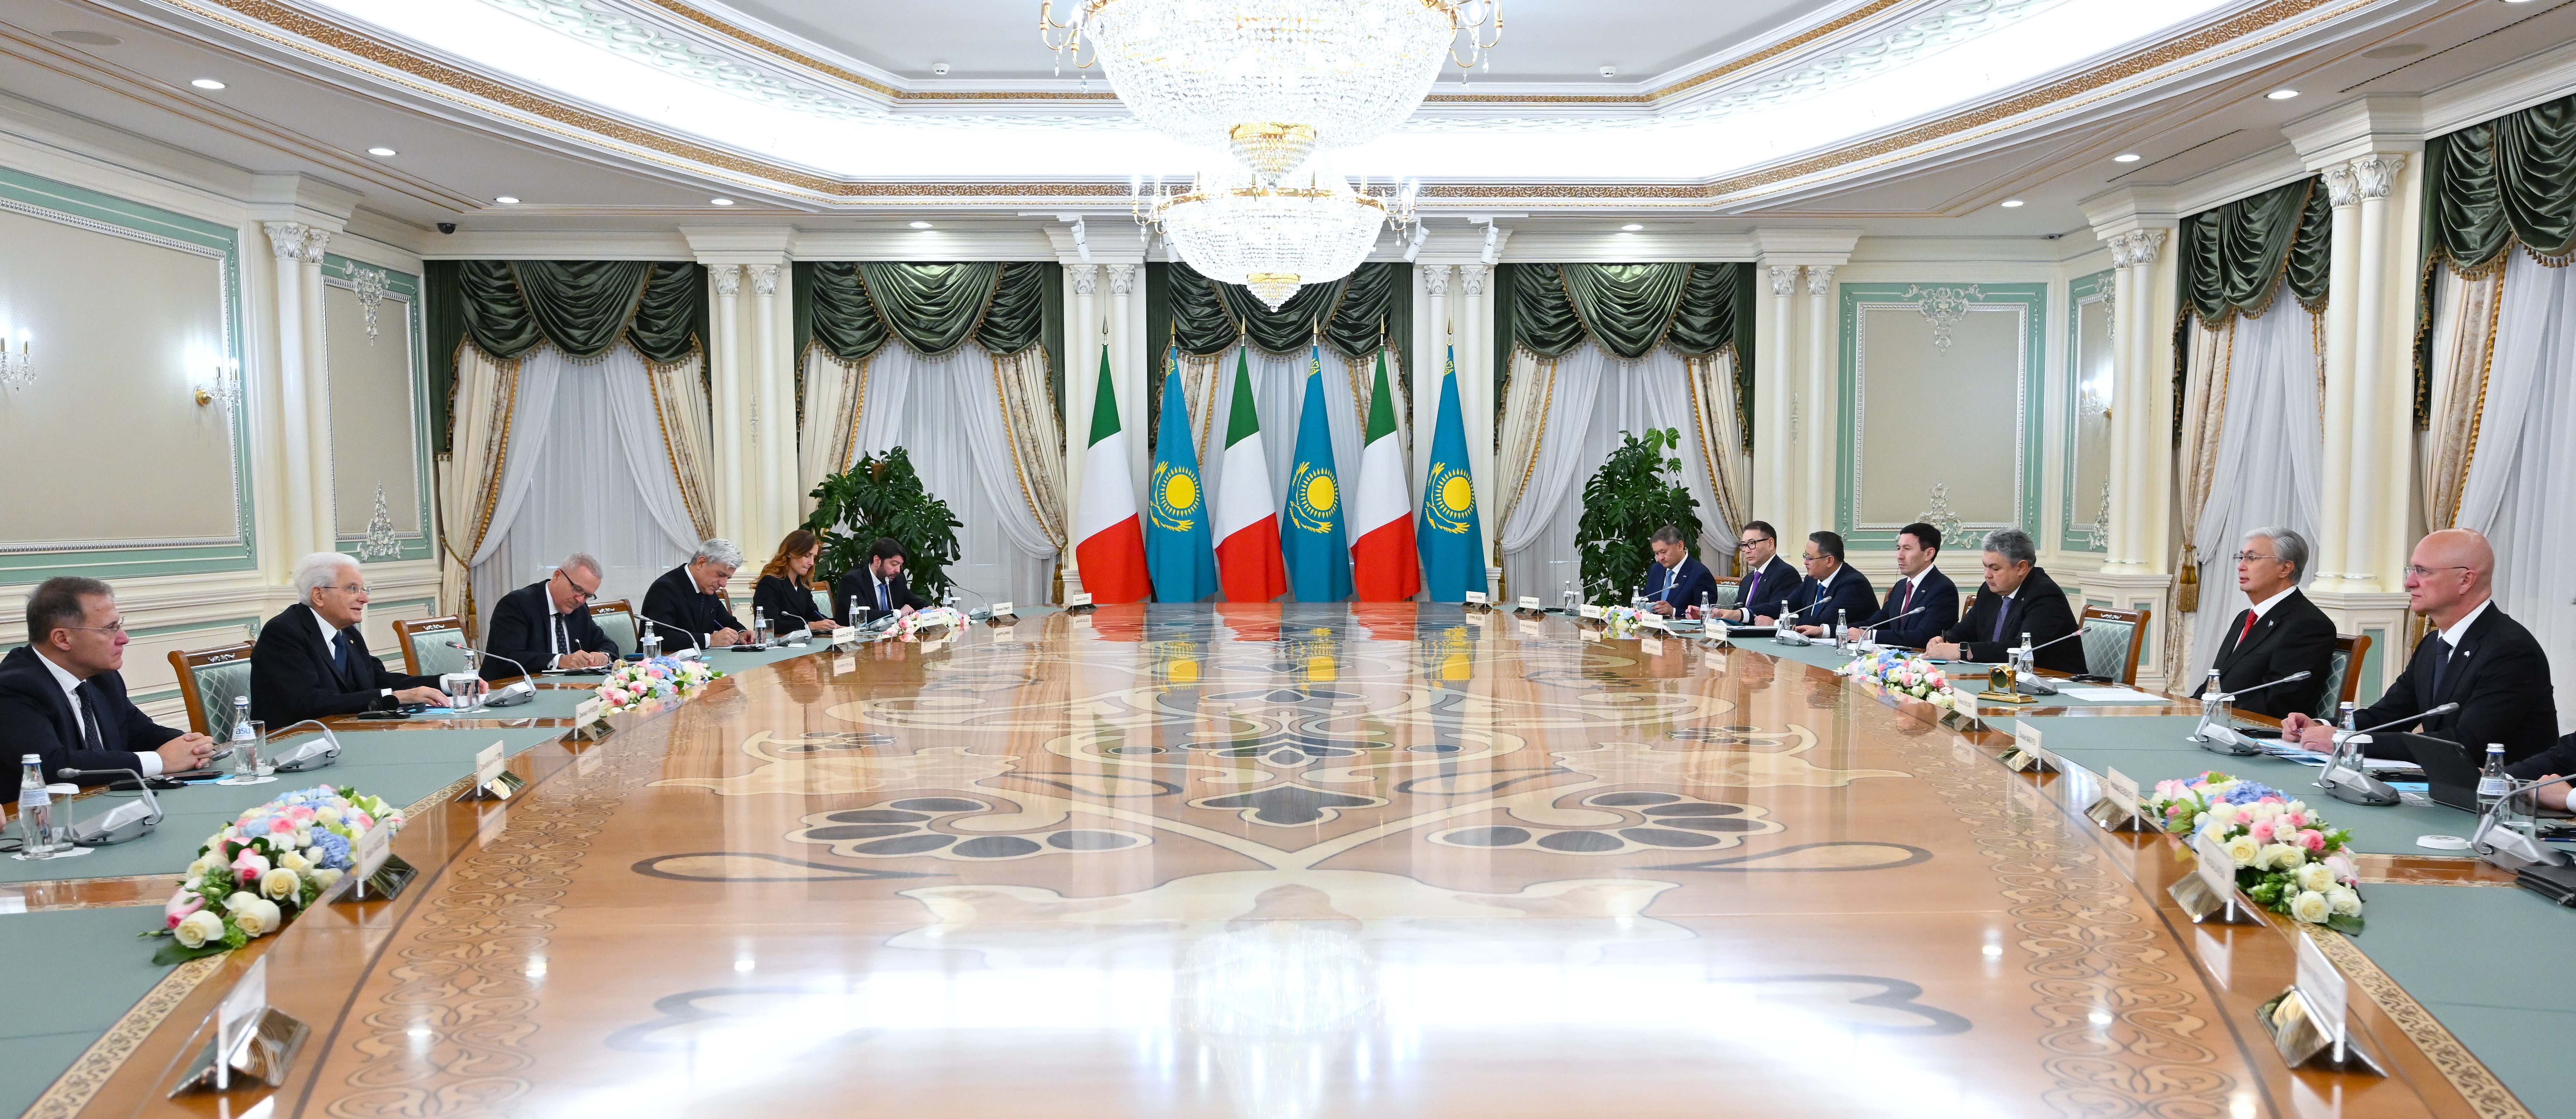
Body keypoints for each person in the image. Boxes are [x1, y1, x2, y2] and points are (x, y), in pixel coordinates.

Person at [2284, 528, 2553, 766]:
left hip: (2503, 796)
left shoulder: (2511, 650)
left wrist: (2347, 741)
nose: (2409, 582)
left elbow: (2465, 743)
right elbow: (2389, 715)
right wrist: (2321, 726)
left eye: (2423, 571)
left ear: (2466, 580)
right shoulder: (2433, 643)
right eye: (2411, 571)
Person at [0, 577, 216, 796]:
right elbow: (52, 766)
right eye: (110, 629)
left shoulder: (102, 677)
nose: (124, 639)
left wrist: (192, 746)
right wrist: (161, 761)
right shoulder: (13, 687)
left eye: (119, 626)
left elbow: (140, 732)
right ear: (63, 639)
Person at [251, 553, 451, 725]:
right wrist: (393, 697)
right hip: (295, 742)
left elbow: (376, 679)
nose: (365, 598)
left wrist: (446, 683)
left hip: (343, 733)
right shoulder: (284, 633)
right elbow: (310, 702)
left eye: (363, 589)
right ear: (319, 595)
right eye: (352, 589)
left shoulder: (348, 633)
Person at [2192, 527, 2335, 720]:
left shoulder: (2309, 625)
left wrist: (2211, 713)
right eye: (2241, 558)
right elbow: (2216, 683)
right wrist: (2185, 709)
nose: (2241, 566)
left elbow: (2278, 703)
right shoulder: (2245, 617)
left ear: (2285, 569)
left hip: (2252, 730)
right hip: (2217, 721)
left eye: (2252, 558)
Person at [1925, 528, 2083, 673]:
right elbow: (1967, 629)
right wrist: (1945, 640)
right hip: (2000, 677)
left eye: (1995, 569)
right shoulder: (1990, 590)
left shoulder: (2045, 595)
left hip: (2056, 682)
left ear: (2021, 568)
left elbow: (2022, 649)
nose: (1987, 575)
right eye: (1985, 567)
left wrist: (1963, 651)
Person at [483, 552, 620, 678]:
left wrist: (603, 656)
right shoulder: (517, 604)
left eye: (587, 596)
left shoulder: (580, 610)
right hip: (513, 689)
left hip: (567, 689)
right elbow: (509, 659)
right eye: (577, 589)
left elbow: (608, 644)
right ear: (557, 576)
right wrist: (560, 661)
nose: (580, 600)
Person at [1847, 522, 1958, 649]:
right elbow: (1875, 623)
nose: (1899, 556)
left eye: (1907, 549)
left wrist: (1870, 635)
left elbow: (1924, 637)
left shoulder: (1943, 589)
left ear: (1929, 554)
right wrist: (1834, 630)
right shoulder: (1901, 587)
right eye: (1899, 548)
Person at [642, 540, 749, 652]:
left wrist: (741, 633)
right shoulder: (665, 588)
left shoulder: (706, 588)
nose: (723, 584)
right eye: (721, 575)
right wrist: (710, 640)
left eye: (728, 578)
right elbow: (661, 637)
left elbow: (726, 621)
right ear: (701, 563)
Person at [1782, 530, 1877, 638]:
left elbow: (1824, 621)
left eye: (1810, 558)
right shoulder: (1812, 579)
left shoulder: (1854, 584)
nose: (1805, 562)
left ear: (1829, 561)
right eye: (1805, 556)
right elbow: (1788, 604)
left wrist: (1779, 622)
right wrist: (1765, 614)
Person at [1700, 520, 1795, 624]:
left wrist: (1739, 615)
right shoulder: (1748, 579)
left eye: (1752, 544)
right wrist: (1711, 616)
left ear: (1770, 544)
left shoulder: (1786, 574)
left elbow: (1777, 611)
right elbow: (1735, 615)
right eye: (1744, 545)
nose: (1747, 551)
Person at [753, 530, 842, 636]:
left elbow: (813, 613)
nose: (812, 563)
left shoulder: (803, 583)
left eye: (814, 557)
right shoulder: (769, 583)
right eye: (807, 556)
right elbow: (771, 625)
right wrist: (810, 626)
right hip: (778, 643)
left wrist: (834, 626)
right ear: (790, 553)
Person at [834, 537, 932, 625]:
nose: (898, 570)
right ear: (877, 561)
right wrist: (898, 614)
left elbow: (915, 602)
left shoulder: (898, 580)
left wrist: (929, 609)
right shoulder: (853, 580)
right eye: (894, 564)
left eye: (900, 566)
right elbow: (862, 616)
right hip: (857, 638)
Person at [1639, 525, 1720, 616]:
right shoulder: (1656, 569)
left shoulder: (1701, 574)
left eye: (1664, 552)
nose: (1660, 558)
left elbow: (1705, 614)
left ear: (1680, 546)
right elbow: (1645, 599)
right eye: (1657, 554)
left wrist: (1674, 612)